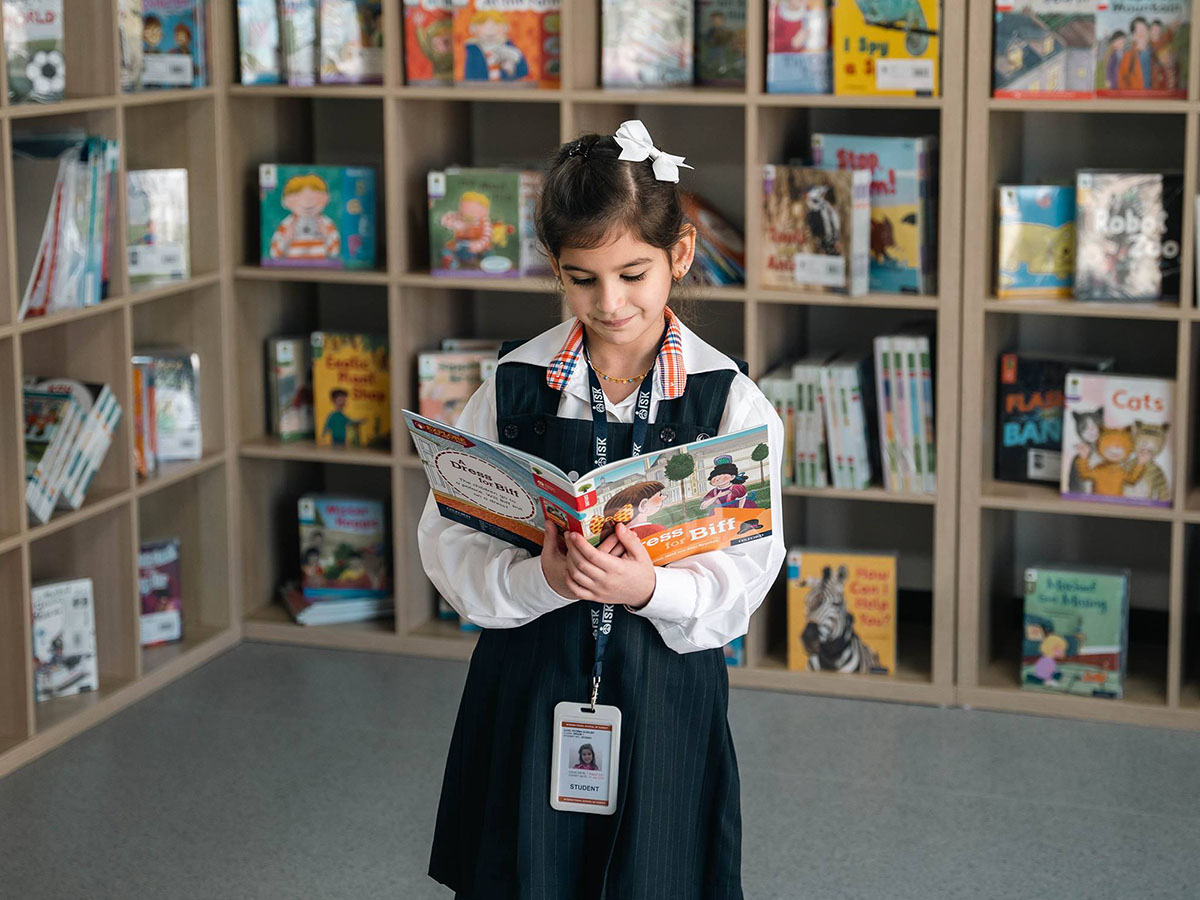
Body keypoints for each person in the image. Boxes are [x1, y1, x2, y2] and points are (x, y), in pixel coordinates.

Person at [419, 121, 785, 899]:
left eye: (633, 274)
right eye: (583, 279)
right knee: (522, 874)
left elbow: (750, 569)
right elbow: (447, 539)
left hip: (664, 696)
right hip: (527, 684)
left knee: (657, 875)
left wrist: (651, 591)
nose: (610, 302)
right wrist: (540, 583)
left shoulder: (732, 403)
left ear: (678, 255)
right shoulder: (513, 385)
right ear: (555, 266)